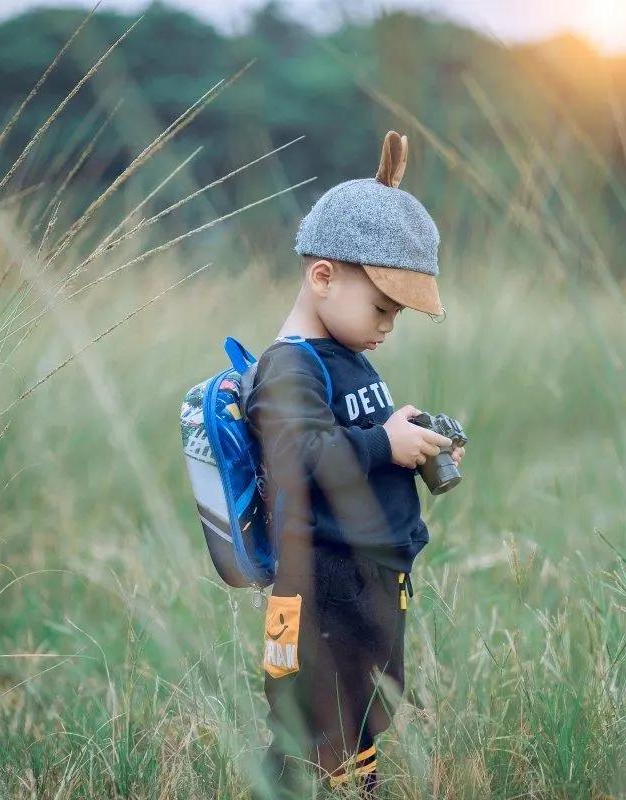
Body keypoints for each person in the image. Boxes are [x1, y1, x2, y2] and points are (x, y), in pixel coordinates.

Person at [244, 131, 465, 799]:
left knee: (365, 705)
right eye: (381, 307)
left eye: (396, 314)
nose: (388, 326)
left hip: (366, 575)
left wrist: (412, 439)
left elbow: (351, 442)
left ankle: (348, 784)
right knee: (318, 717)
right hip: (321, 582)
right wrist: (382, 444)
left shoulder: (346, 357)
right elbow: (303, 457)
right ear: (323, 276)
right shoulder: (289, 367)